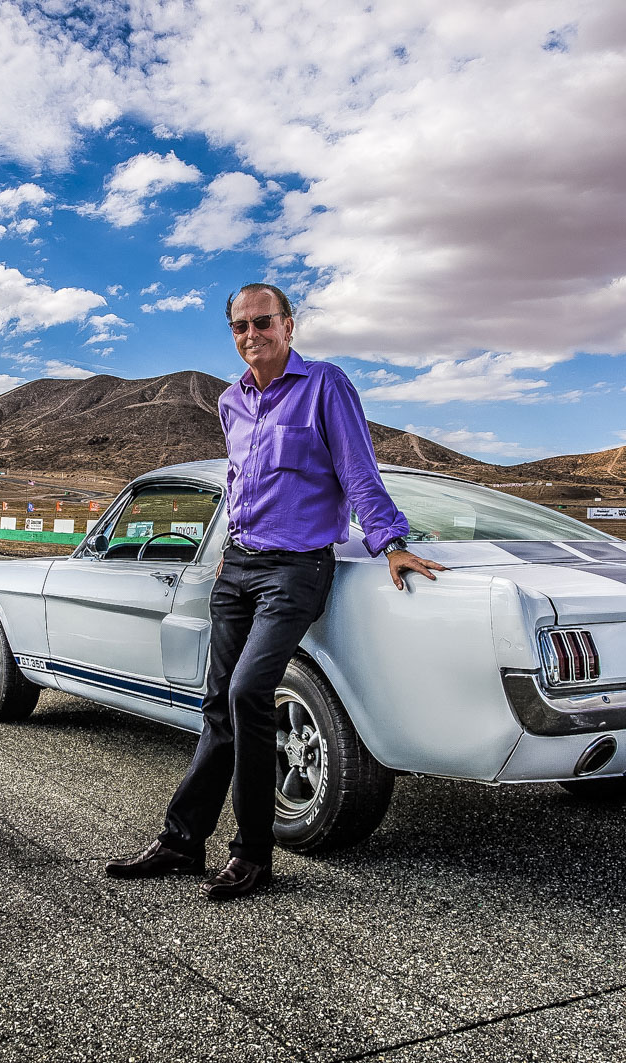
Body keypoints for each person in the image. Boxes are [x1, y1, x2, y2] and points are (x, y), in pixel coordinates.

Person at [104, 282, 446, 901]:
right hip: (237, 567)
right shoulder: (231, 401)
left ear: (290, 326)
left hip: (296, 570)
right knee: (217, 708)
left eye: (263, 323)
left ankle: (253, 855)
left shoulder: (325, 386)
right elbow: (240, 481)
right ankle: (183, 843)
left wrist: (390, 542)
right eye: (240, 327)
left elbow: (358, 471)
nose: (251, 335)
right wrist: (226, 549)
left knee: (248, 692)